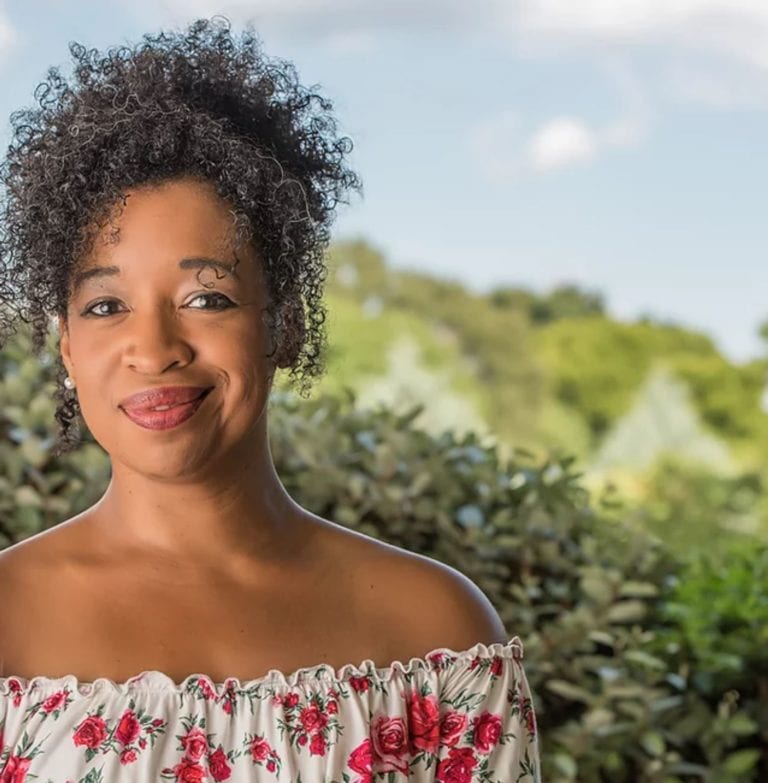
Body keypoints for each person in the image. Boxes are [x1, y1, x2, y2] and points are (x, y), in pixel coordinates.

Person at [0, 16, 541, 781]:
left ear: (284, 324)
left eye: (207, 298)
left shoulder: (435, 634)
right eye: (105, 305)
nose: (153, 349)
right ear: (66, 345)